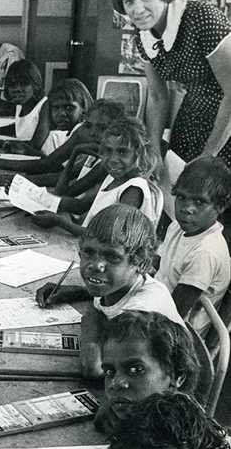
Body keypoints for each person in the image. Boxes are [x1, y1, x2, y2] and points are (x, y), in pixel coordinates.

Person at [108, 0, 231, 165]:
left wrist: (209, 156)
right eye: (128, 0)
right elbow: (157, 95)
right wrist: (153, 150)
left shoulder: (203, 19)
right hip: (192, 116)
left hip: (226, 122)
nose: (137, 9)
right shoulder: (143, 34)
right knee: (176, 182)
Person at [36, 204, 184, 377]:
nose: (95, 265)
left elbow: (93, 368)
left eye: (112, 257)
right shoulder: (118, 284)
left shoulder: (142, 311)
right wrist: (77, 292)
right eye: (89, 252)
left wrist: (91, 327)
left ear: (141, 263)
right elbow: (100, 303)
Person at [31, 117, 162, 236]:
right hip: (90, 244)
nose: (113, 159)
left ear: (138, 153)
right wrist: (37, 198)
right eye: (108, 151)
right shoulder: (113, 177)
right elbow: (79, 205)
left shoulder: (133, 189)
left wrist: (59, 222)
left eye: (122, 152)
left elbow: (108, 236)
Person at [156, 156, 231, 334]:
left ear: (221, 206)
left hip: (178, 331)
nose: (186, 208)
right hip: (156, 303)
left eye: (199, 202)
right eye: (181, 197)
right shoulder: (177, 227)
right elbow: (159, 264)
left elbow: (173, 315)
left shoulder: (206, 253)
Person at [96, 310, 200, 435]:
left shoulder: (180, 442)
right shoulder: (130, 418)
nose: (115, 383)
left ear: (177, 376)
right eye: (109, 372)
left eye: (136, 370)